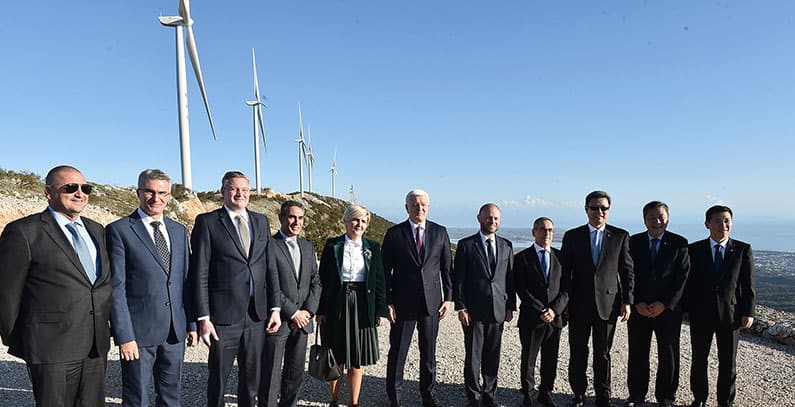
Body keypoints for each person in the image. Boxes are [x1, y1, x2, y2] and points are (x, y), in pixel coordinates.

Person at [0, 165, 112, 406]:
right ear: (48, 192)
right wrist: (23, 340)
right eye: (70, 187)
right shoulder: (23, 232)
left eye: (85, 188)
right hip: (50, 348)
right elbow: (7, 293)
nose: (80, 193)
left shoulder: (97, 230)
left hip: (94, 346)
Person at [190, 170, 281, 407]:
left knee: (251, 381)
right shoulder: (207, 222)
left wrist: (275, 308)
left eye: (244, 189)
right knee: (218, 380)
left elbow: (270, 268)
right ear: (223, 192)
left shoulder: (261, 221)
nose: (240, 193)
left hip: (256, 316)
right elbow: (200, 272)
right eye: (234, 188)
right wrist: (203, 317)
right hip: (223, 317)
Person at [107, 169, 198, 406]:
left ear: (169, 196)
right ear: (138, 192)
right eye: (149, 192)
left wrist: (191, 324)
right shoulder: (119, 230)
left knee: (171, 397)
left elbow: (185, 282)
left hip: (175, 332)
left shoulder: (179, 231)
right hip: (138, 333)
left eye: (162, 193)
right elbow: (116, 287)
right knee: (137, 398)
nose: (156, 198)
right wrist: (124, 335)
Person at [561, 190, 634, 407]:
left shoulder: (620, 236)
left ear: (609, 210)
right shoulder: (572, 236)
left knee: (603, 353)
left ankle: (603, 396)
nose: (599, 212)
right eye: (594, 207)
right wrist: (564, 303)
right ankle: (578, 394)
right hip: (578, 305)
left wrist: (627, 301)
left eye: (603, 208)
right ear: (586, 210)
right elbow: (565, 273)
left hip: (608, 305)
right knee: (578, 351)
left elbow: (627, 271)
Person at [383, 189, 454, 407]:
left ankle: (428, 395)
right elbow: (385, 272)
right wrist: (388, 301)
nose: (419, 208)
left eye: (423, 205)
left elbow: (447, 268)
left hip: (432, 304)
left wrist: (448, 298)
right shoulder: (394, 234)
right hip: (402, 304)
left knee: (429, 354)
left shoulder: (440, 232)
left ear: (428, 207)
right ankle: (395, 398)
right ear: (407, 207)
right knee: (398, 353)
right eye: (415, 205)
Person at [316, 204, 387, 407]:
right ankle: (334, 400)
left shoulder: (373, 247)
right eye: (355, 220)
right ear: (346, 221)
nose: (359, 224)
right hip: (336, 304)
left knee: (356, 358)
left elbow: (379, 280)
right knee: (336, 356)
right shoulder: (333, 245)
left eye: (363, 221)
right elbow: (323, 279)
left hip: (363, 305)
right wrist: (320, 310)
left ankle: (354, 402)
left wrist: (380, 310)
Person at [684, 205, 755, 407]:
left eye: (727, 220)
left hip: (731, 314)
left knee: (728, 361)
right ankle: (699, 398)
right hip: (700, 313)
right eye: (717, 221)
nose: (723, 225)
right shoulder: (694, 249)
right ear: (707, 224)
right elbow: (689, 282)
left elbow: (748, 284)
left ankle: (725, 401)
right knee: (699, 359)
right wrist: (686, 309)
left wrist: (748, 311)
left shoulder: (742, 249)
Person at [625, 201, 690, 407]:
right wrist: (636, 302)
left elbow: (683, 278)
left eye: (661, 217)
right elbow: (626, 274)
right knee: (637, 353)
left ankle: (666, 397)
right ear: (644, 220)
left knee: (669, 355)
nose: (657, 221)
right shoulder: (633, 242)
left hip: (668, 310)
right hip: (639, 309)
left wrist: (665, 304)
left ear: (668, 219)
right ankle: (636, 395)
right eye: (652, 217)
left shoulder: (679, 243)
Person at [453, 203, 515, 407]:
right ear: (479, 218)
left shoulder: (506, 245)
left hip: (498, 309)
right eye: (489, 217)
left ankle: (489, 395)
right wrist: (461, 307)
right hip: (473, 311)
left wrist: (510, 306)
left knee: (493, 355)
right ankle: (474, 397)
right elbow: (459, 279)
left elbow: (510, 279)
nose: (492, 221)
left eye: (496, 218)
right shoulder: (466, 245)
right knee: (473, 356)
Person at [260, 200, 321, 407]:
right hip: (279, 319)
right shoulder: (269, 245)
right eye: (292, 217)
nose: (297, 222)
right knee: (271, 373)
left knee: (295, 373)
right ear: (281, 218)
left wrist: (308, 311)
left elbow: (316, 281)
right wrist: (293, 312)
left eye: (301, 218)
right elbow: (268, 284)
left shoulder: (307, 246)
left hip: (302, 321)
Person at [514, 217, 569, 407]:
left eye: (550, 230)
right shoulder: (522, 258)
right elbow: (521, 288)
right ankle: (528, 395)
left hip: (555, 319)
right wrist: (541, 309)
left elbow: (567, 288)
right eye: (543, 229)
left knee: (550, 358)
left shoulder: (562, 258)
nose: (547, 233)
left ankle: (545, 393)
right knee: (529, 359)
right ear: (534, 232)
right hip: (531, 317)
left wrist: (554, 310)